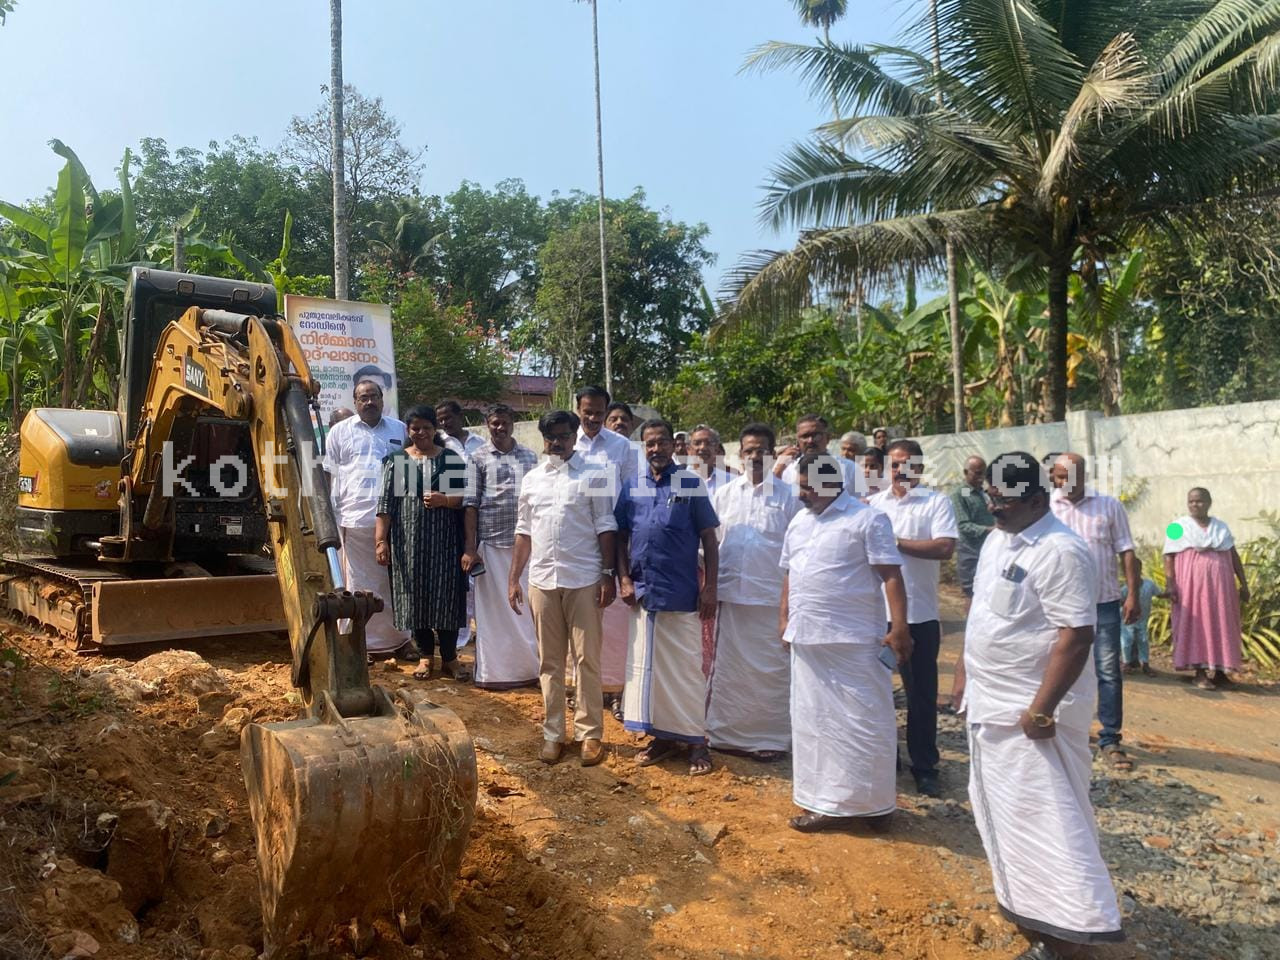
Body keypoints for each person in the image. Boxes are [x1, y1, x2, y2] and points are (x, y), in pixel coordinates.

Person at [953, 451, 1123, 959]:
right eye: (989, 496)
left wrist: (1042, 709)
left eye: (1003, 500)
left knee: (1051, 819)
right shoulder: (997, 539)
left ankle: (1071, 933)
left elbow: (1076, 635)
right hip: (992, 701)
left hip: (1031, 713)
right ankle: (1033, 908)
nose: (992, 507)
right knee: (1011, 815)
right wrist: (964, 668)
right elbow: (983, 612)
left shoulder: (1062, 551)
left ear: (1036, 499)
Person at [781, 453, 911, 832]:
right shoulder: (799, 522)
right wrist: (784, 618)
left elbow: (891, 575)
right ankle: (826, 803)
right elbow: (789, 574)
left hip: (855, 641)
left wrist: (900, 627)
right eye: (800, 485)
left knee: (866, 721)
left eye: (807, 486)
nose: (801, 494)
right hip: (807, 639)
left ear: (831, 483)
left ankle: (876, 805)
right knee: (815, 724)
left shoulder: (867, 519)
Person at [509, 410, 617, 767]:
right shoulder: (532, 479)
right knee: (549, 661)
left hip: (584, 578)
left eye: (564, 436)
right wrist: (513, 578)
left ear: (575, 436)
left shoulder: (595, 474)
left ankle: (590, 734)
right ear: (543, 439)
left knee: (586, 659)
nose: (557, 442)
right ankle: (553, 733)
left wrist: (607, 574)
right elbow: (523, 531)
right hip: (542, 579)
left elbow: (606, 525)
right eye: (551, 436)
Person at [616, 418, 719, 776]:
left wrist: (711, 587)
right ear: (643, 447)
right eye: (650, 444)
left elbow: (709, 538)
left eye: (661, 442)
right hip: (643, 594)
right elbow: (620, 536)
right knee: (650, 672)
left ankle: (696, 741)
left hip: (681, 592)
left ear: (674, 445)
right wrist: (623, 579)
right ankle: (661, 738)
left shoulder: (690, 483)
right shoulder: (633, 486)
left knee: (686, 672)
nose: (656, 449)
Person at [868, 439, 958, 798]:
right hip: (876, 613)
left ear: (919, 468)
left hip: (919, 615)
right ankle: (886, 760)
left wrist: (894, 542)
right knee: (876, 692)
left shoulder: (936, 502)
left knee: (920, 696)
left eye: (907, 465)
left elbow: (945, 547)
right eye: (894, 465)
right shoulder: (873, 505)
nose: (900, 471)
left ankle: (925, 766)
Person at [706, 423, 801, 761]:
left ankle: (771, 739)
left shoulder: (790, 497)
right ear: (740, 455)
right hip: (732, 597)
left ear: (773, 454)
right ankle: (725, 734)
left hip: (771, 599)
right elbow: (711, 542)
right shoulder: (725, 494)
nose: (755, 456)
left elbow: (799, 550)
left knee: (772, 671)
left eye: (762, 450)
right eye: (749, 451)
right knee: (730, 671)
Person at [1050, 452, 1140, 772]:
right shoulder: (1047, 507)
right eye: (1060, 476)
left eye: (1071, 476)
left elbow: (1126, 551)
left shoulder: (1109, 505)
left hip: (1103, 603)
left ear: (1084, 475)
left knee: (1108, 671)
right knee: (1057, 666)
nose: (1066, 482)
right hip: (1059, 604)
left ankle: (1110, 738)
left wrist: (1133, 595)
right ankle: (1060, 729)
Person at [374, 405, 471, 682]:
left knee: (447, 598)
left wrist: (444, 500)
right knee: (414, 599)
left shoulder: (448, 459)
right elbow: (386, 505)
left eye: (426, 427)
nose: (421, 433)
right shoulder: (399, 461)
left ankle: (450, 658)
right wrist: (381, 541)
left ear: (434, 429)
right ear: (408, 430)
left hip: (445, 543)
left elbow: (461, 500)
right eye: (415, 428)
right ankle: (426, 657)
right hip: (408, 544)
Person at [325, 379, 411, 659]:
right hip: (354, 518)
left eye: (374, 396)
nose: (369, 402)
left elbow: (409, 472)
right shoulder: (339, 432)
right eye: (363, 398)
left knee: (397, 581)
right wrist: (326, 512)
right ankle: (364, 643)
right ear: (355, 402)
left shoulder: (399, 429)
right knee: (359, 584)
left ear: (382, 399)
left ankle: (402, 640)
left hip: (396, 519)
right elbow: (329, 473)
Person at [462, 405, 540, 690]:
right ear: (487, 424)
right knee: (493, 613)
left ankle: (528, 669)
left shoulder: (530, 457)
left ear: (513, 423)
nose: (500, 427)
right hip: (491, 544)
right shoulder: (477, 458)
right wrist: (470, 548)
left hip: (525, 544)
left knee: (525, 610)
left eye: (505, 422)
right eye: (495, 423)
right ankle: (494, 674)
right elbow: (470, 504)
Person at [1163, 487, 1250, 690]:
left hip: (1221, 588)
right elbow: (1168, 555)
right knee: (1197, 624)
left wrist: (1244, 584)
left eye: (1199, 501)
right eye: (1191, 501)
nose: (1195, 504)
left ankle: (1220, 672)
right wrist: (1170, 584)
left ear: (1209, 503)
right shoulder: (1176, 526)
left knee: (1222, 623)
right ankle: (1200, 672)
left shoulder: (1221, 527)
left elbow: (1233, 555)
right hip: (1191, 587)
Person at [774, 414, 863, 497]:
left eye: (816, 435)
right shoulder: (788, 469)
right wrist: (778, 471)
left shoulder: (850, 468)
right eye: (805, 436)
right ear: (798, 440)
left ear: (828, 438)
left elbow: (863, 501)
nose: (810, 441)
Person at [953, 455, 996, 613]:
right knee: (972, 593)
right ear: (966, 472)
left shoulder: (984, 493)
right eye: (977, 473)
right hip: (970, 552)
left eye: (983, 473)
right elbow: (963, 525)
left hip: (989, 549)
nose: (981, 477)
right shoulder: (960, 494)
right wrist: (990, 530)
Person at [1120, 561, 1162, 678]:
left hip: (1142, 620)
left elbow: (1159, 594)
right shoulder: (1125, 589)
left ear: (1141, 570)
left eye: (1136, 570)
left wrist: (1170, 595)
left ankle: (1145, 664)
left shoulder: (1149, 585)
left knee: (1143, 641)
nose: (1133, 573)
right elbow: (1120, 601)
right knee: (1126, 641)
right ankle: (1126, 663)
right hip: (1127, 621)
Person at [688, 425, 734, 493]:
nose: (703, 447)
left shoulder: (731, 482)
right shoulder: (677, 482)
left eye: (708, 443)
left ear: (716, 449)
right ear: (689, 450)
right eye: (697, 443)